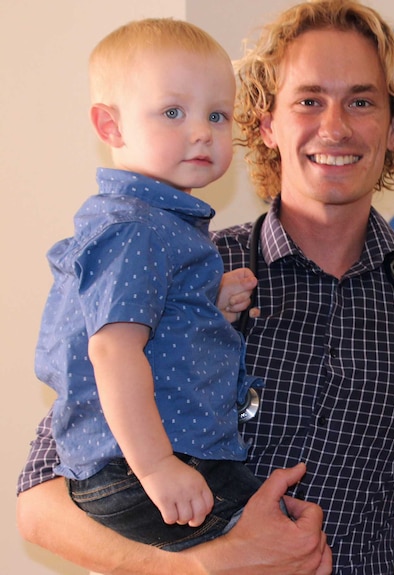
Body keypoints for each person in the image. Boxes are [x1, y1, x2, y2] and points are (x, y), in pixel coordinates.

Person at [17, 2, 394, 574]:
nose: (334, 126)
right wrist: (206, 569)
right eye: (309, 100)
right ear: (265, 124)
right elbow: (40, 503)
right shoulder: (185, 266)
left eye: (362, 101)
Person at [33, 17, 267, 551]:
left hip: (148, 463)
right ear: (111, 127)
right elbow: (112, 352)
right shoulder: (135, 229)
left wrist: (211, 306)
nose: (202, 131)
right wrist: (158, 467)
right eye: (172, 112)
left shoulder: (160, 227)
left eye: (217, 114)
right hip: (141, 468)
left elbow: (160, 334)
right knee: (285, 540)